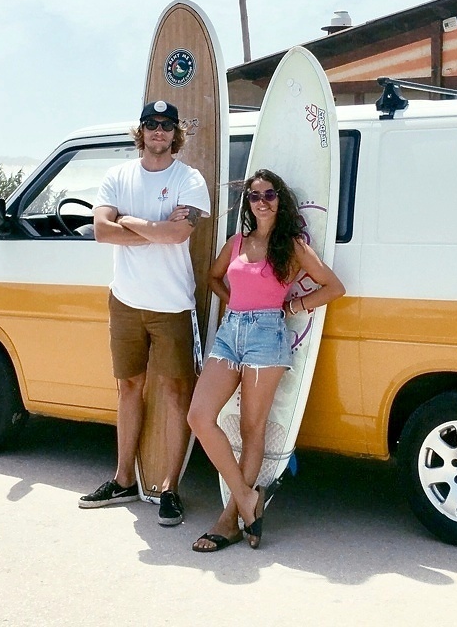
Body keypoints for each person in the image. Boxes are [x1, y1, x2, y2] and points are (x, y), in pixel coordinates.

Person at [186, 169, 344, 552]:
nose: (262, 202)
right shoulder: (237, 242)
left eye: (269, 195)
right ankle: (247, 497)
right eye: (255, 196)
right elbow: (213, 277)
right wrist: (236, 304)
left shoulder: (291, 246)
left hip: (267, 336)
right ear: (249, 203)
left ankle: (229, 520)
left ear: (280, 200)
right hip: (231, 333)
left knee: (251, 429)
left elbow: (334, 287)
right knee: (199, 417)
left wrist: (294, 305)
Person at [79, 100, 210, 528]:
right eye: (151, 124)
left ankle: (170, 488)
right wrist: (155, 228)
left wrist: (129, 220)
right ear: (141, 131)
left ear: (176, 134)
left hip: (172, 305)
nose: (158, 131)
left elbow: (178, 234)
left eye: (166, 125)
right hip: (126, 302)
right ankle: (122, 480)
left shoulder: (189, 179)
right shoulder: (118, 176)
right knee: (128, 388)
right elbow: (102, 231)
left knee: (175, 394)